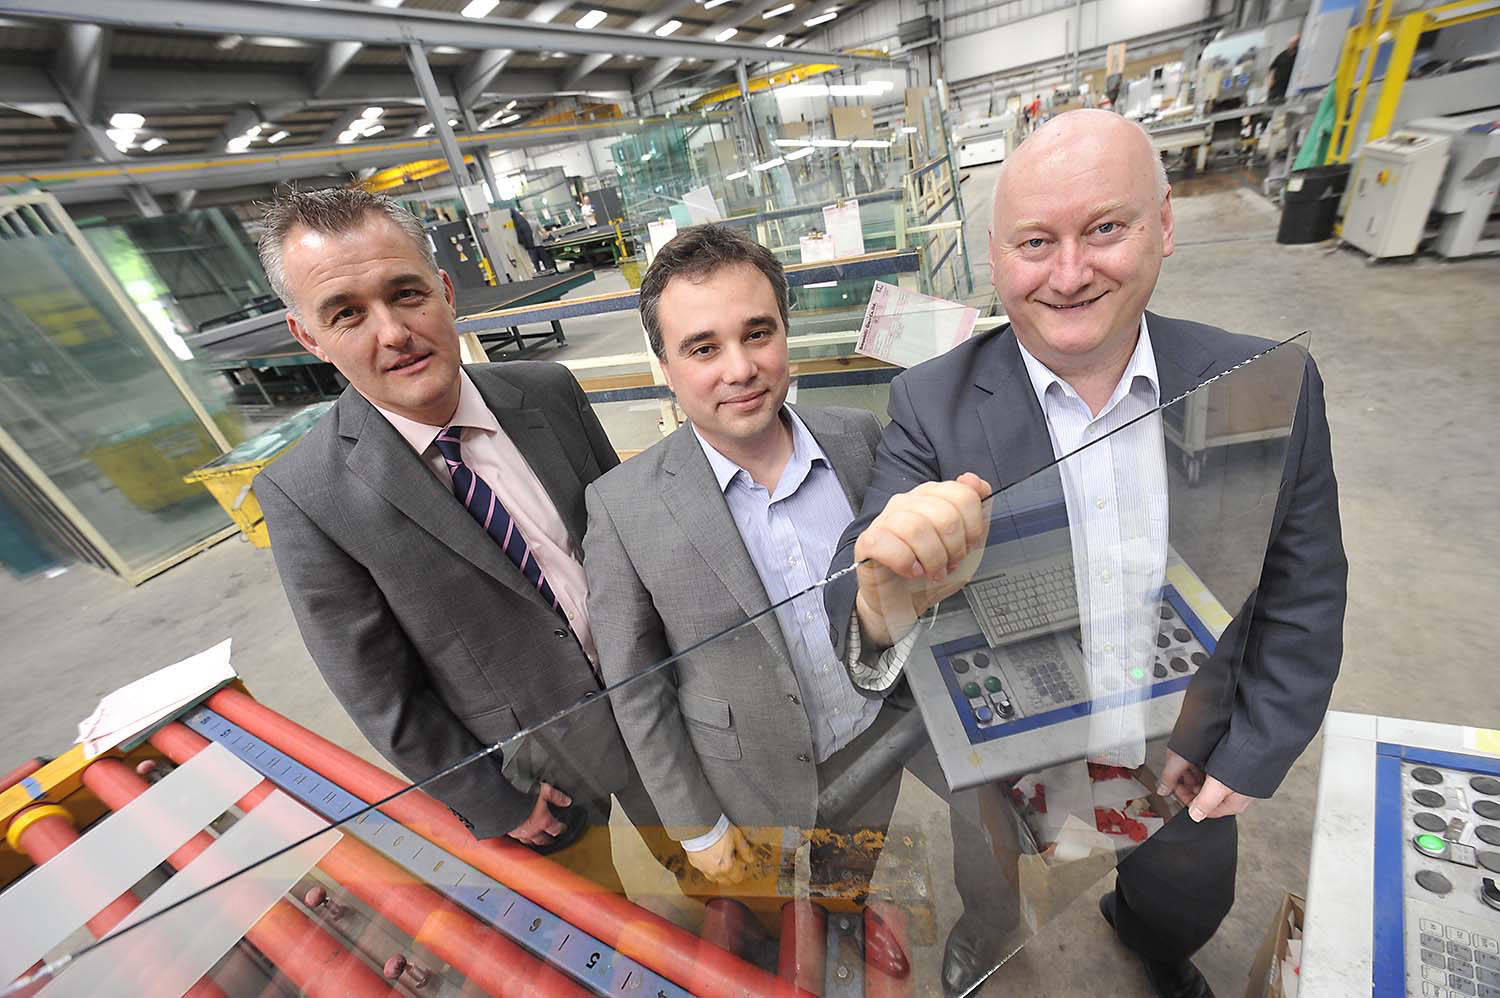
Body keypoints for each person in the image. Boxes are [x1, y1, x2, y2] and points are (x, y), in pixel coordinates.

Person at [825, 109, 1347, 997]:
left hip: (1184, 752)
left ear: (1165, 224)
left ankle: (1153, 939)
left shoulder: (1263, 385)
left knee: (1184, 904)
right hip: (1014, 755)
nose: (1069, 274)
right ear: (995, 257)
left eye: (1106, 228)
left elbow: (1303, 592)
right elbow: (859, 591)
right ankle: (982, 941)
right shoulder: (930, 402)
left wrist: (1252, 753)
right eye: (1036, 241)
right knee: (990, 884)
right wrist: (881, 592)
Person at [254, 188, 674, 887]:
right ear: (309, 337)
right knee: (596, 922)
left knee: (722, 869)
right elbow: (377, 689)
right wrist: (486, 797)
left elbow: (635, 545)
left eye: (406, 293)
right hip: (532, 770)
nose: (393, 333)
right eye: (347, 313)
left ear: (446, 291)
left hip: (653, 701)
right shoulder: (308, 494)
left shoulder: (547, 392)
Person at [582, 224, 900, 887]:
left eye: (758, 333)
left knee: (848, 882)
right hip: (743, 783)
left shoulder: (859, 439)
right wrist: (694, 823)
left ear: (785, 331)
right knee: (766, 917)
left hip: (872, 741)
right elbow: (636, 688)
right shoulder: (624, 506)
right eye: (702, 347)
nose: (740, 368)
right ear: (665, 367)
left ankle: (847, 920)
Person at [1268, 35, 1299, 103]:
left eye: (1293, 43)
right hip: (1275, 85)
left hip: (1287, 86)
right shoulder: (1282, 55)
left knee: (1282, 103)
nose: (1291, 45)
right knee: (1270, 102)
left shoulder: (1298, 55)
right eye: (1290, 43)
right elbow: (1272, 68)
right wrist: (1271, 79)